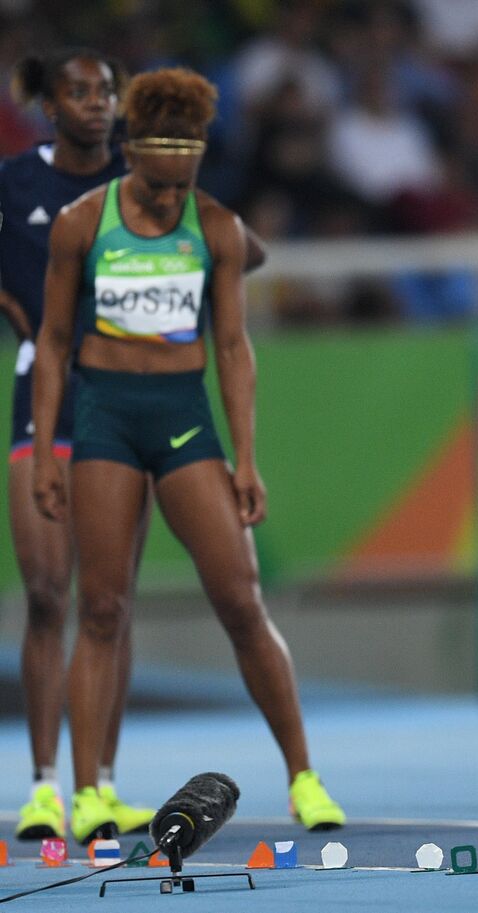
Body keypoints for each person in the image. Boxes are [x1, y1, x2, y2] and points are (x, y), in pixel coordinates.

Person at [30, 67, 344, 842]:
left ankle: (304, 775)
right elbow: (55, 340)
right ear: (132, 156)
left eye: (187, 182)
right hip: (103, 417)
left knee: (241, 599)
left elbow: (233, 347)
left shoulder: (215, 227)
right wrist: (44, 451)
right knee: (101, 607)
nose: (172, 199)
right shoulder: (79, 222)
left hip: (181, 419)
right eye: (161, 186)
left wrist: (245, 458)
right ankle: (91, 794)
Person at [0, 48, 151, 842]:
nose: (98, 104)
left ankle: (102, 784)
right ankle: (43, 784)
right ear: (48, 106)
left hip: (129, 397)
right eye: (80, 93)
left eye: (107, 92)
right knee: (49, 591)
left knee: (109, 601)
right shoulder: (14, 184)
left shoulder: (142, 181)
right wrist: (26, 319)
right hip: (45, 396)